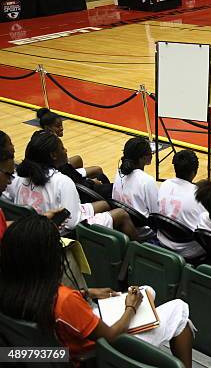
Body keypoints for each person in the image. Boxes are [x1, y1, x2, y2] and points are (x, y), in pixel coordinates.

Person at [0, 215, 194, 367]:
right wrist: (130, 308)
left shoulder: (12, 288)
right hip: (95, 354)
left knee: (146, 291)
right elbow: (111, 336)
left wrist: (87, 293)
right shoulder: (64, 300)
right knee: (179, 309)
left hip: (67, 349)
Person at [12, 131, 138, 239]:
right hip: (61, 235)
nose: (66, 150)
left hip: (33, 227)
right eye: (62, 148)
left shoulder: (19, 175)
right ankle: (138, 250)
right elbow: (73, 224)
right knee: (121, 213)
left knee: (105, 204)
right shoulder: (62, 181)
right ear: (53, 155)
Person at [157, 150, 206, 259]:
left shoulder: (165, 184)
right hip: (188, 251)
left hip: (163, 240)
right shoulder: (199, 194)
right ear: (194, 172)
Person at [36, 108, 107, 181]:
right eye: (57, 126)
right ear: (47, 128)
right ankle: (79, 184)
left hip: (47, 169)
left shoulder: (39, 135)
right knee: (98, 170)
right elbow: (62, 167)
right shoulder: (52, 143)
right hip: (54, 173)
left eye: (61, 125)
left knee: (77, 159)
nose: (61, 128)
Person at [113, 137, 158, 217]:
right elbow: (156, 213)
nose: (152, 155)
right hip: (142, 227)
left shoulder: (119, 171)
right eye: (151, 153)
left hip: (122, 221)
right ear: (143, 158)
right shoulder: (147, 181)